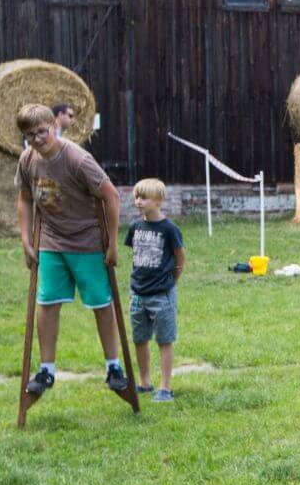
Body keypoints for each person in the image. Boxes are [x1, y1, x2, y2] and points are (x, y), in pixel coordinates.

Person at [15, 103, 129, 395]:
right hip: (52, 240)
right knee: (47, 302)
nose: (38, 139)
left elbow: (111, 196)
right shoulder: (27, 159)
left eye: (42, 131)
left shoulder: (77, 159)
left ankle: (113, 366)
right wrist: (26, 240)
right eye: (31, 135)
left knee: (101, 303)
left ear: (53, 126)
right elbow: (25, 198)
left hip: (87, 240)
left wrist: (113, 244)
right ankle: (46, 371)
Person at [124, 179, 185, 403]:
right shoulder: (135, 227)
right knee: (140, 338)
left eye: (144, 198)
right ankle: (144, 382)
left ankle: (165, 388)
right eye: (137, 197)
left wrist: (172, 280)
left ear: (158, 201)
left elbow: (180, 257)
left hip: (162, 294)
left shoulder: (169, 229)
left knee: (164, 339)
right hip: (138, 294)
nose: (138, 202)